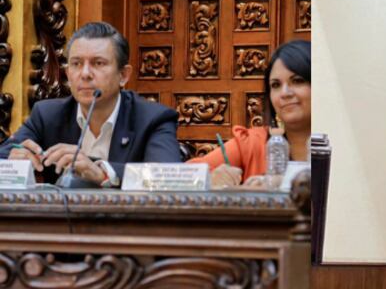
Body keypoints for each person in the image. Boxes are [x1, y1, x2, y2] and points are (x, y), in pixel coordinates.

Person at [0, 21, 180, 186]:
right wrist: (13, 160)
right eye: (76, 64)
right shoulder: (47, 114)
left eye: (98, 63)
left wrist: (103, 173)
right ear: (68, 74)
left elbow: (167, 177)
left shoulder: (153, 118)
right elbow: (6, 153)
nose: (85, 73)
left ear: (124, 75)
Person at [189, 40, 311, 188]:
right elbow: (184, 176)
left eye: (297, 81)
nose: (285, 93)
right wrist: (210, 179)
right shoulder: (253, 144)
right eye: (276, 85)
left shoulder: (336, 141)